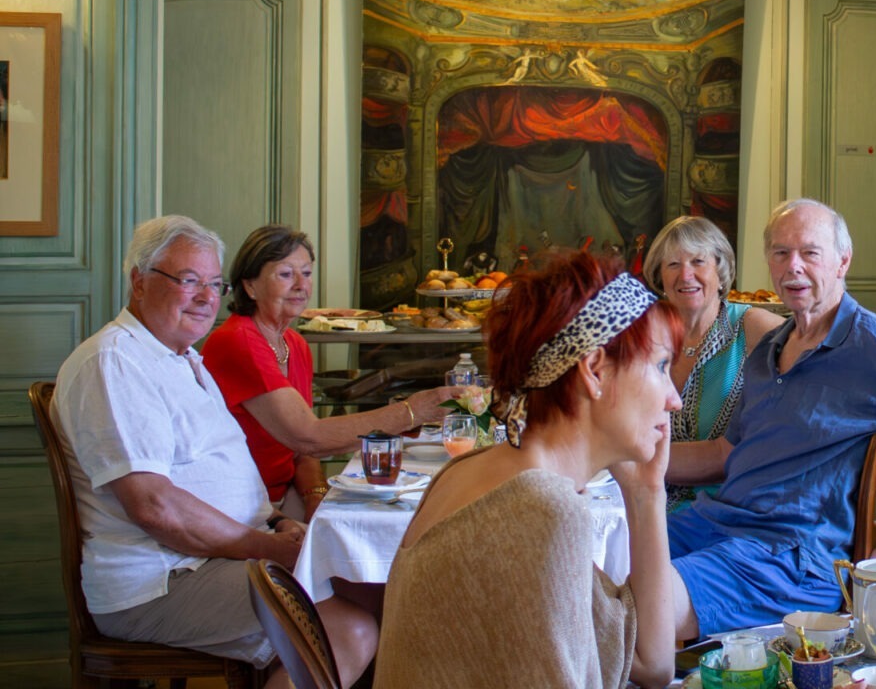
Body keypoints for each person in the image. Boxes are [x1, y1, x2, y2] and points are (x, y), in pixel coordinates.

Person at [51, 215, 376, 688]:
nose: (207, 297)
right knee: (352, 626)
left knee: (377, 587)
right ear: (139, 282)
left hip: (214, 560)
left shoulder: (183, 358)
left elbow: (222, 477)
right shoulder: (115, 361)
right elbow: (154, 506)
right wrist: (268, 546)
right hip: (159, 582)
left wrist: (276, 523)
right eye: (188, 281)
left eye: (213, 283)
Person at [666, 198, 876, 638]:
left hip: (789, 557)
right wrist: (621, 458)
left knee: (643, 599)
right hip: (715, 525)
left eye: (809, 252)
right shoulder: (769, 348)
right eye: (780, 253)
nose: (792, 266)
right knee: (597, 554)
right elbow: (724, 452)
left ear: (842, 261)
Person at [373, 252, 681, 689]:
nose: (674, 398)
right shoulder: (543, 511)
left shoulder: (477, 472)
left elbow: (651, 663)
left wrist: (647, 493)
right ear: (594, 369)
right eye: (661, 366)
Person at [202, 224, 458, 519]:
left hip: (283, 494)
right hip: (243, 504)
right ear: (250, 286)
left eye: (307, 273)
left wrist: (316, 499)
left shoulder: (294, 343)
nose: (301, 285)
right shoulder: (237, 340)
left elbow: (304, 452)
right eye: (286, 275)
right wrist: (412, 411)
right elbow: (309, 437)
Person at [641, 215, 783, 510]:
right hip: (642, 496)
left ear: (721, 271)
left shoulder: (751, 326)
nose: (685, 275)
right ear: (660, 277)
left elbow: (818, 354)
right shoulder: (643, 334)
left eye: (697, 262)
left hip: (723, 507)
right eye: (673, 264)